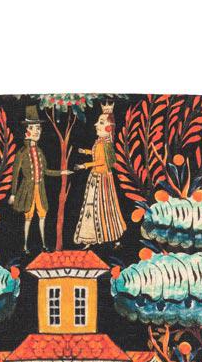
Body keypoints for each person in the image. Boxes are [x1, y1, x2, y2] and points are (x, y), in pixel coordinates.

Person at [8, 105, 72, 252]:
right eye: (33, 128)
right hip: (27, 189)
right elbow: (15, 174)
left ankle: (43, 244)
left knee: (42, 216)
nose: (37, 131)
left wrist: (62, 172)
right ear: (26, 132)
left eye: (38, 128)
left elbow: (46, 171)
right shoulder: (21, 153)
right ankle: (25, 245)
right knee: (28, 217)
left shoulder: (40, 152)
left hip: (40, 189)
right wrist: (13, 194)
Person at [73, 103, 126, 247]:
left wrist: (84, 165)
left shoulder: (104, 144)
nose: (96, 125)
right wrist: (86, 152)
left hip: (102, 180)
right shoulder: (100, 142)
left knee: (100, 207)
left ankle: (103, 235)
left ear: (109, 128)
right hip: (96, 177)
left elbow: (101, 161)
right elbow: (96, 154)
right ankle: (92, 236)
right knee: (93, 207)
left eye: (101, 122)